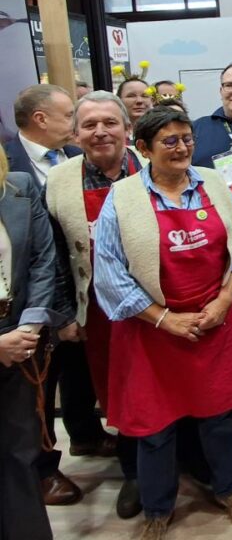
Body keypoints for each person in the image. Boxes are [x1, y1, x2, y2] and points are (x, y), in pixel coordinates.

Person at [94, 107, 232, 538]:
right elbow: (109, 272)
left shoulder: (216, 184)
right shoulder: (124, 197)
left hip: (214, 324)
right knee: (154, 428)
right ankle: (157, 508)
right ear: (144, 148)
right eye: (170, 141)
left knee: (219, 418)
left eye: (187, 138)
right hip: (151, 333)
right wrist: (164, 319)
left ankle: (230, 489)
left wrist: (224, 300)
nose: (183, 147)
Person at [45, 91, 146, 518]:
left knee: (166, 386)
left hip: (159, 303)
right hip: (100, 313)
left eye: (110, 122)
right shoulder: (58, 181)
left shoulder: (152, 165)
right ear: (75, 133)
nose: (100, 131)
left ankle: (184, 461)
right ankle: (136, 473)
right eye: (89, 125)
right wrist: (65, 314)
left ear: (128, 129)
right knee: (119, 396)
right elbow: (52, 258)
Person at [7, 84, 98, 506]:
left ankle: (86, 435)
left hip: (72, 292)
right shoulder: (11, 162)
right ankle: (43, 470)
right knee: (41, 391)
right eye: (70, 116)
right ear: (41, 119)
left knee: (78, 371)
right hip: (26, 303)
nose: (77, 125)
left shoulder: (76, 159)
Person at [0, 144, 57, 540]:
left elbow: (42, 260)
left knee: (18, 454)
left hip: (18, 336)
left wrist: (31, 326)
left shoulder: (17, 187)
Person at [6, 84, 78, 186]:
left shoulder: (81, 156)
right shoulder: (4, 164)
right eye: (69, 115)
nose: (77, 122)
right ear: (41, 119)